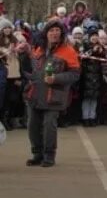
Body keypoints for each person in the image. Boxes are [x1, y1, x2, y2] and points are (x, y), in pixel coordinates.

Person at [22, 18, 80, 167]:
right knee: (32, 125)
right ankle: (37, 153)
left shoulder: (68, 50)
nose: (55, 33)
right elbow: (31, 69)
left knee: (49, 125)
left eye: (57, 31)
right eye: (52, 31)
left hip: (54, 95)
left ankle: (49, 155)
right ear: (46, 33)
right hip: (35, 93)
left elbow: (75, 74)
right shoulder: (38, 48)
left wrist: (56, 78)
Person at [80, 28, 105, 126]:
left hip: (97, 76)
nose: (94, 38)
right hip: (86, 76)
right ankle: (85, 117)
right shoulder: (84, 45)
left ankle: (92, 117)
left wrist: (100, 50)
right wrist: (91, 51)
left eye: (96, 36)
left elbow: (104, 58)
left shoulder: (100, 47)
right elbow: (82, 56)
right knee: (86, 98)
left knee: (94, 98)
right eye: (92, 36)